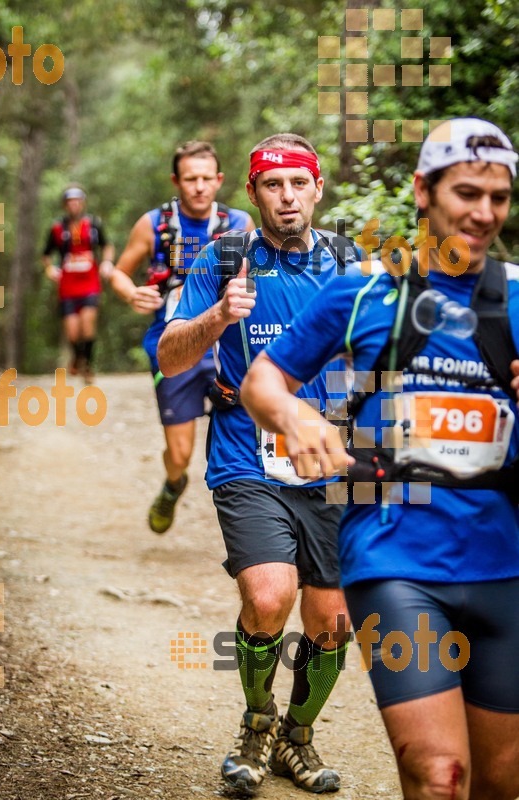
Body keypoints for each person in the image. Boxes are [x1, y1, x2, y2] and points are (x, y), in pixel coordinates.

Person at [240, 118, 519, 800]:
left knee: (499, 782)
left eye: (499, 197)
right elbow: (262, 382)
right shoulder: (365, 290)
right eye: (465, 193)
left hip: (504, 562)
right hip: (394, 558)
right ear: (423, 192)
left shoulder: (515, 295)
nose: (483, 213)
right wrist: (296, 416)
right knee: (437, 776)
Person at [158, 133, 362, 794]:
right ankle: (256, 722)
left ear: (317, 187)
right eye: (272, 185)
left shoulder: (349, 264)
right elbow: (168, 357)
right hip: (247, 456)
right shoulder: (222, 259)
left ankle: (295, 738)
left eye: (298, 183)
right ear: (251, 193)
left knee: (331, 623)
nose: (286, 197)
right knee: (269, 596)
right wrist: (218, 315)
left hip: (329, 464)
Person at [110, 141, 254, 534]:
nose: (199, 187)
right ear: (177, 180)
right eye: (191, 179)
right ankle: (174, 484)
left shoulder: (240, 223)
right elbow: (117, 271)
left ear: (220, 180)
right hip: (171, 345)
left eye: (207, 178)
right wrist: (131, 293)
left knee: (248, 436)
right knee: (180, 453)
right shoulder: (154, 224)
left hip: (227, 347)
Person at [43, 185, 114, 383]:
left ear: (82, 203)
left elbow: (106, 246)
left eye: (77, 201)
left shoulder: (93, 224)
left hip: (90, 282)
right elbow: (46, 255)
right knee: (73, 331)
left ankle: (88, 366)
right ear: (65, 205)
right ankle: (77, 357)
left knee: (87, 324)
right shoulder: (57, 228)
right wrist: (50, 269)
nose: (74, 205)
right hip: (68, 285)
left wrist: (107, 262)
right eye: (70, 202)